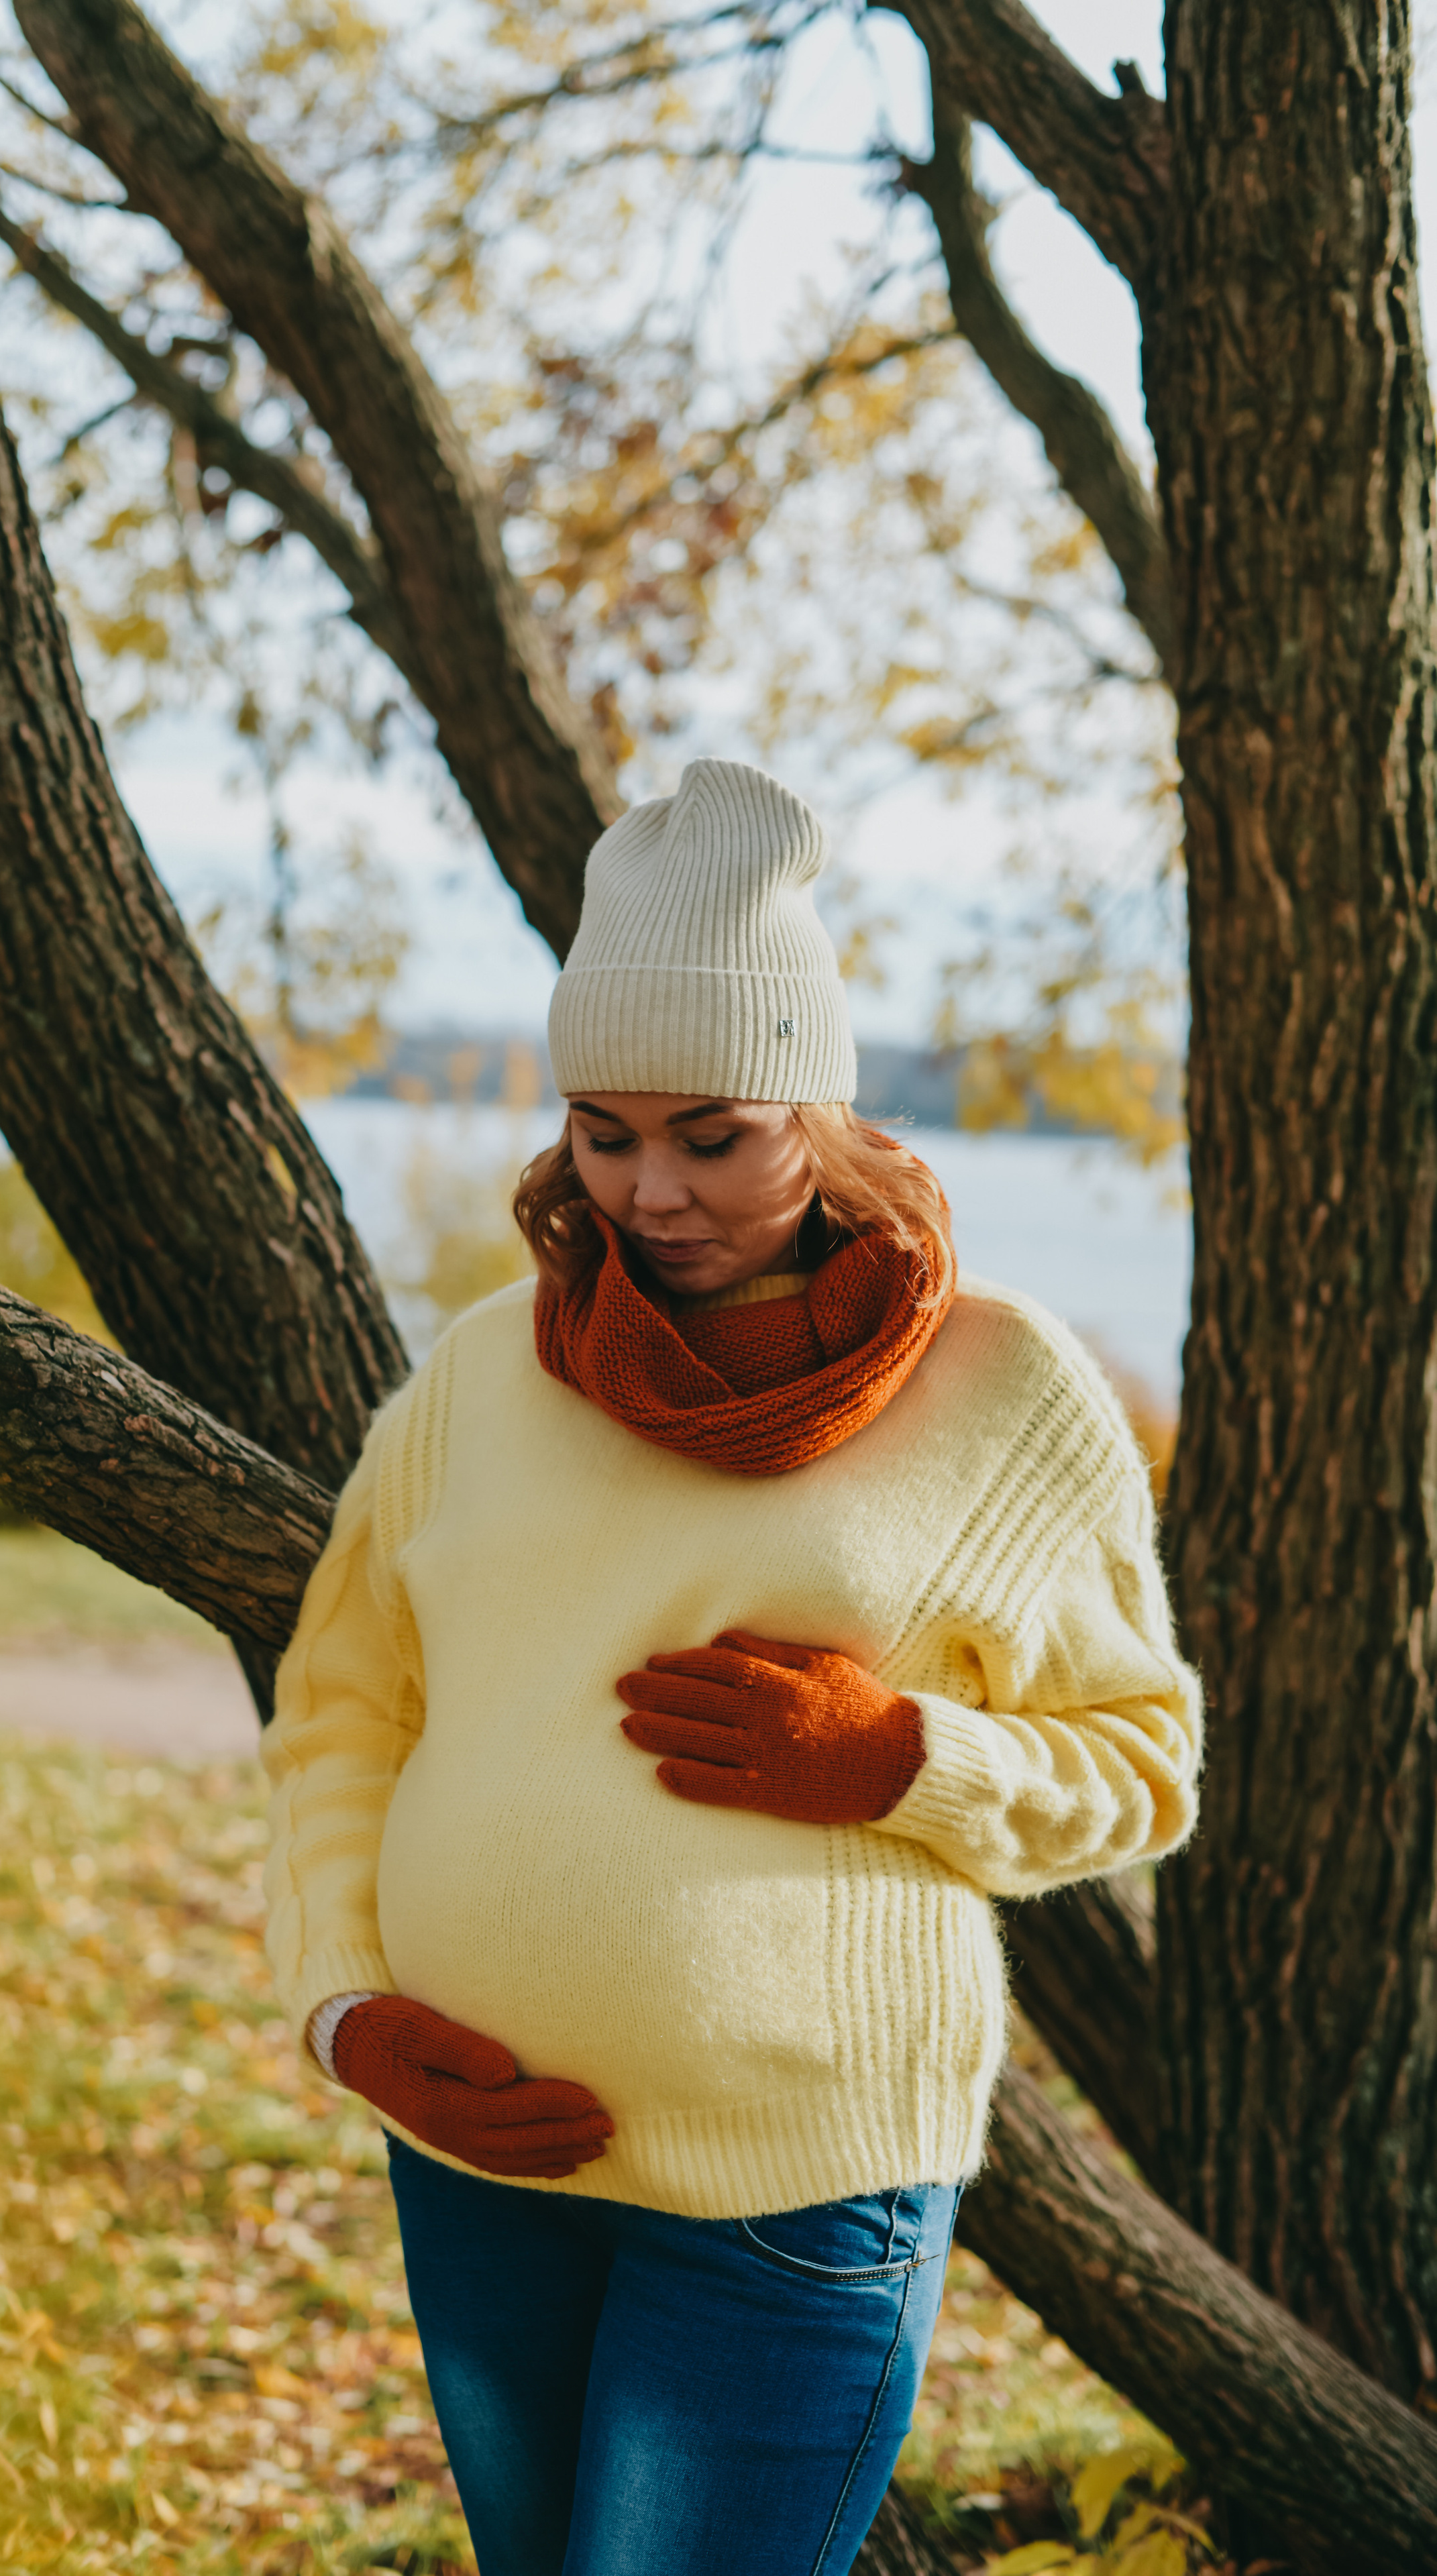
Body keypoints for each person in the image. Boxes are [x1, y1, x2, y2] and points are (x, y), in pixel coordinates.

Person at [262, 759, 1201, 2576]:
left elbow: (1143, 1760)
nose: (652, 1193)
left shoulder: (1003, 1389)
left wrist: (902, 1757)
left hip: (789, 2199)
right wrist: (346, 2012)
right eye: (604, 1134)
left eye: (713, 1135)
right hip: (484, 2170)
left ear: (819, 1113)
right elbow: (346, 1709)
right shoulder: (486, 1371)